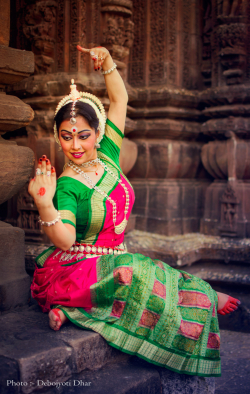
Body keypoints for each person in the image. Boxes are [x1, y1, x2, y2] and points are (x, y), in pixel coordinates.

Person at [29, 45, 240, 377]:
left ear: (98, 134)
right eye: (66, 137)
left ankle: (72, 311)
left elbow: (120, 101)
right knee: (136, 269)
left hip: (113, 260)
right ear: (57, 137)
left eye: (84, 135)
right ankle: (199, 296)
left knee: (143, 268)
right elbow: (67, 240)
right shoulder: (68, 186)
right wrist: (44, 203)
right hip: (79, 267)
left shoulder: (109, 154)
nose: (76, 146)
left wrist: (108, 64)